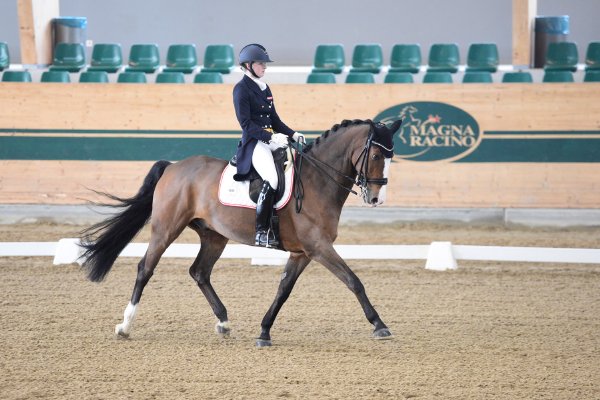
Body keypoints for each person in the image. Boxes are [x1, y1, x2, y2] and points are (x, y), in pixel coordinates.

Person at [232, 43, 305, 248]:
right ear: (248, 65)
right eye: (261, 64)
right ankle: (262, 232)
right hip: (254, 143)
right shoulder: (241, 89)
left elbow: (275, 120)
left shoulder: (265, 87)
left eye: (265, 64)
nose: (265, 67)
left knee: (296, 165)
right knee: (272, 179)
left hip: (270, 139)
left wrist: (292, 134)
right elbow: (246, 125)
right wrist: (271, 138)